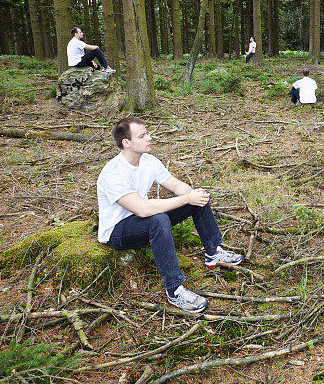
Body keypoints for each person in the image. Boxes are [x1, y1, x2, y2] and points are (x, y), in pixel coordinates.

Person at [97, 117, 243, 313]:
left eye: (147, 133)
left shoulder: (148, 161)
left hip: (141, 219)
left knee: (196, 197)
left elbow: (175, 185)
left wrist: (192, 194)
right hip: (117, 231)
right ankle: (175, 290)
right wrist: (186, 199)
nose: (149, 138)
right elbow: (142, 209)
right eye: (142, 136)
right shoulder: (113, 173)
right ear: (126, 143)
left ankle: (213, 252)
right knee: (159, 219)